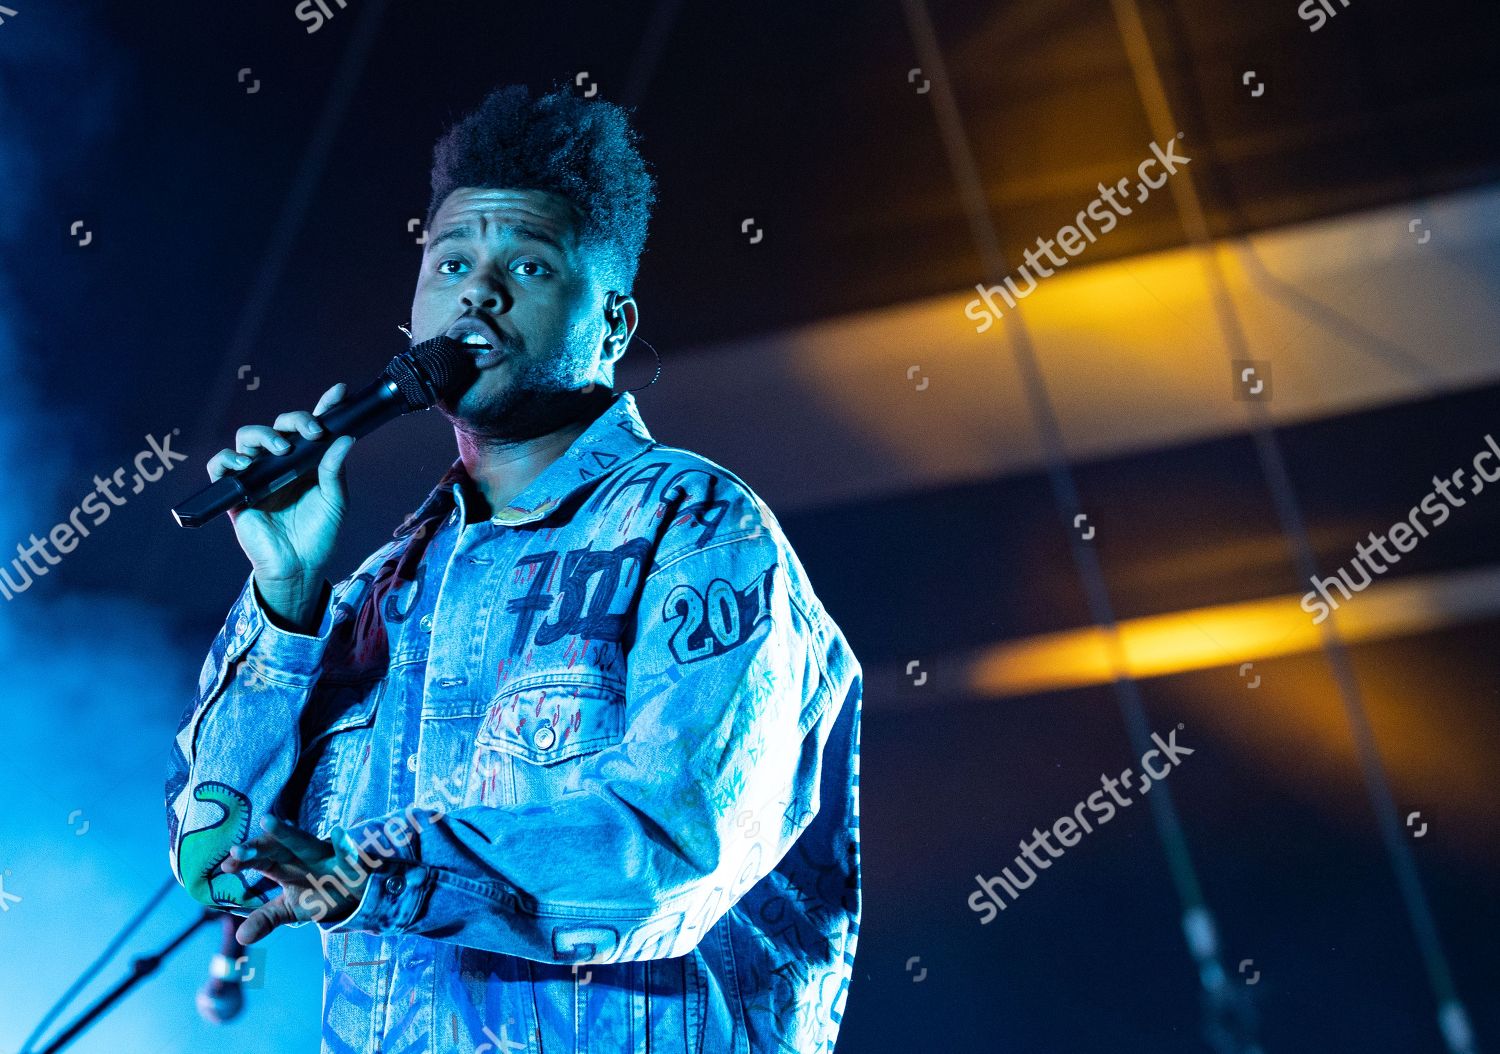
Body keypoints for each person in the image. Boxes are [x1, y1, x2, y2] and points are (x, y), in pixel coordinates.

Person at [164, 82, 862, 1053]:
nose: (477, 292)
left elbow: (675, 840)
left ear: (612, 328)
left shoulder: (696, 528)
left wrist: (385, 875)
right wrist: (286, 597)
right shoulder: (378, 594)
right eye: (451, 261)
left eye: (527, 265)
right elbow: (219, 863)